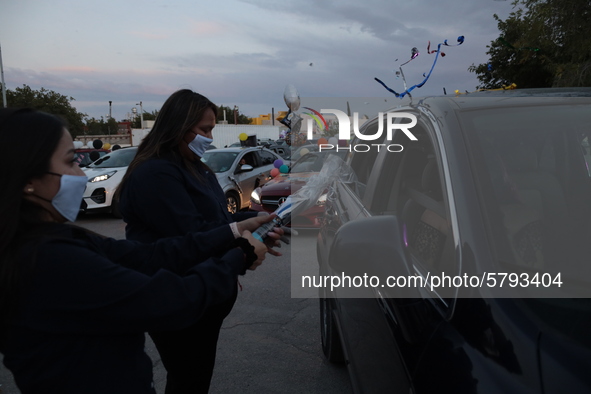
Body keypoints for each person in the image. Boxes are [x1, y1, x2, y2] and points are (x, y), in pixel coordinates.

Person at [0, 108, 280, 393]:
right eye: (71, 162)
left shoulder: (57, 239)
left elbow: (146, 254)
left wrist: (235, 232)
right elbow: (169, 301)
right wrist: (238, 256)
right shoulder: (48, 259)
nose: (82, 174)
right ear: (28, 181)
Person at [117, 89, 284, 393]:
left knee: (195, 375)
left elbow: (217, 221)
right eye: (204, 129)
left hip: (205, 294)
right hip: (179, 295)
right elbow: (190, 236)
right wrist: (244, 241)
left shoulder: (194, 166)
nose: (209, 137)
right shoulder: (155, 173)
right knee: (188, 377)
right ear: (179, 126)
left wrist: (263, 220)